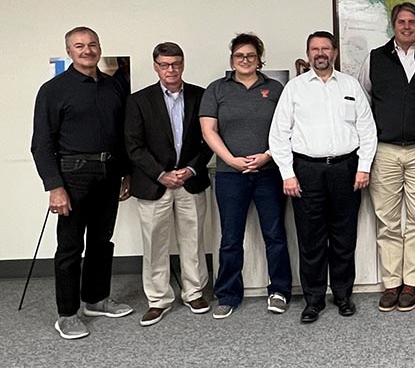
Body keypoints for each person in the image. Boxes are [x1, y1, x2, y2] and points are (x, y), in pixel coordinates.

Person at [31, 26, 134, 339]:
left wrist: (126, 172)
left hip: (110, 172)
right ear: (69, 51)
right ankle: (67, 313)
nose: (87, 50)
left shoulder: (114, 86)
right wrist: (54, 187)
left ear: (100, 47)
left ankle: (96, 299)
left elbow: (122, 135)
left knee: (102, 242)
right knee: (70, 246)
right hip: (72, 175)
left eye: (92, 44)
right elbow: (41, 143)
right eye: (79, 45)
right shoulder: (53, 90)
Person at [270, 31, 377, 323]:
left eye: (326, 48)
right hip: (306, 171)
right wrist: (288, 174)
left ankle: (343, 295)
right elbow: (279, 134)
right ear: (308, 54)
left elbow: (367, 130)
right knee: (311, 238)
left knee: (344, 236)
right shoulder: (294, 88)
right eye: (315, 49)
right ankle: (314, 299)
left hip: (346, 169)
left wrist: (364, 166)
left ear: (335, 53)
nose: (321, 53)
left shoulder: (351, 85)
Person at [356, 2, 415, 312]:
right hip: (385, 151)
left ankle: (412, 283)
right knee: (388, 221)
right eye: (401, 22)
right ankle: (391, 283)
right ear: (392, 26)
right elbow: (362, 103)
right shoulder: (374, 60)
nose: (406, 27)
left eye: (412, 22)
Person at [199, 33, 292, 319]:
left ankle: (279, 291)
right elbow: (208, 130)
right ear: (232, 59)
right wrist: (232, 161)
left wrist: (266, 156)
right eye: (239, 56)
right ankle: (228, 294)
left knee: (275, 235)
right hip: (230, 175)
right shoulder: (216, 89)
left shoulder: (276, 88)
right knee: (230, 238)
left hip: (269, 172)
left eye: (251, 55)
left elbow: (287, 128)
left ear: (259, 59)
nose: (245, 60)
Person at [124, 42, 213, 326]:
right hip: (154, 183)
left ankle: (194, 291)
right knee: (155, 244)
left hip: (191, 180)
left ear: (183, 64)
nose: (171, 69)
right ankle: (158, 299)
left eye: (176, 63)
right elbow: (133, 146)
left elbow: (209, 140)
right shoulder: (138, 100)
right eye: (164, 64)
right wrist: (161, 173)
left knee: (194, 239)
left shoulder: (201, 96)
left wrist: (189, 169)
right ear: (156, 66)